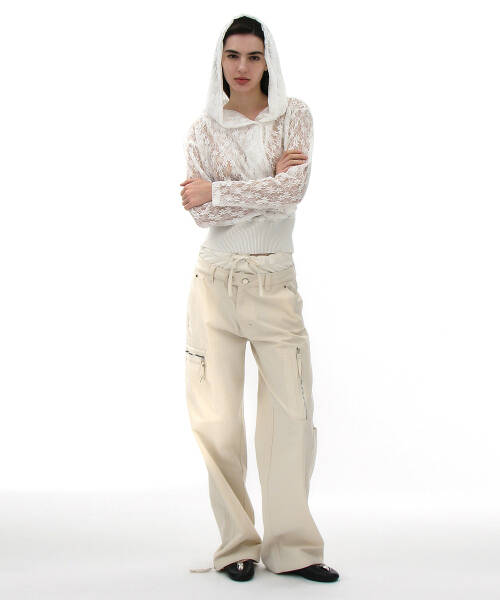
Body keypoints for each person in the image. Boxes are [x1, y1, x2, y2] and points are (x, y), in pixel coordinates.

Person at [180, 14, 339, 583]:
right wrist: (261, 187)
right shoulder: (203, 129)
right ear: (220, 60)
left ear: (268, 59)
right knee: (218, 421)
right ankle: (236, 546)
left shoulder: (294, 116)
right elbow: (199, 213)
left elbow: (292, 192)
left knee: (292, 416)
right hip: (215, 284)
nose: (242, 67)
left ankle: (293, 548)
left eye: (253, 56)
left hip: (274, 283)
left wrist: (221, 189)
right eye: (233, 56)